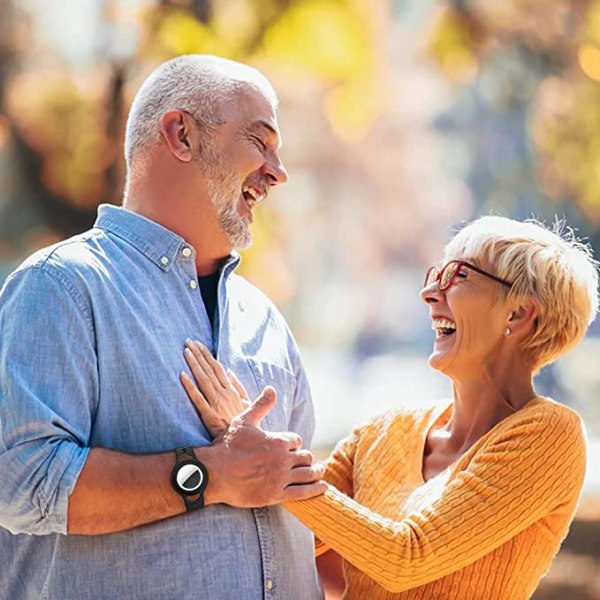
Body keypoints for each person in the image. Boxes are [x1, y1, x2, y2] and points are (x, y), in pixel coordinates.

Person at [0, 55, 327, 599]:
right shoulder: (60, 288)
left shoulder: (265, 320)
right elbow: (21, 482)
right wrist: (212, 476)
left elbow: (300, 508)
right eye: (259, 140)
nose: (278, 171)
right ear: (181, 135)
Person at [181, 215, 598, 599]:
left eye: (457, 275)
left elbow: (407, 557)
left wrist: (266, 461)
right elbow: (284, 533)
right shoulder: (388, 428)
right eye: (435, 274)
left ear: (520, 313)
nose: (429, 293)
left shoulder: (549, 435)